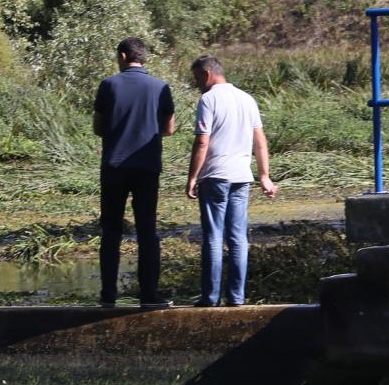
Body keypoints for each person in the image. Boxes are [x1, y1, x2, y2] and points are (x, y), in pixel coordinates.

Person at [185, 56, 277, 307]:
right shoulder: (247, 99)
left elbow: (202, 141)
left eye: (196, 79)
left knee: (214, 237)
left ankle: (210, 297)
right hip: (241, 177)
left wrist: (193, 176)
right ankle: (236, 296)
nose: (197, 85)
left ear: (206, 74)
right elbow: (260, 141)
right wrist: (264, 176)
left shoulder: (209, 99)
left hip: (215, 175)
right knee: (238, 238)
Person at [94, 37, 176, 308]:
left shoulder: (108, 85)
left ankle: (108, 295)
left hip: (114, 166)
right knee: (147, 231)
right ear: (143, 57)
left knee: (111, 231)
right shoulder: (161, 87)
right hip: (147, 167)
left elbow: (98, 127)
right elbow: (169, 128)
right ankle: (149, 294)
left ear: (122, 55)